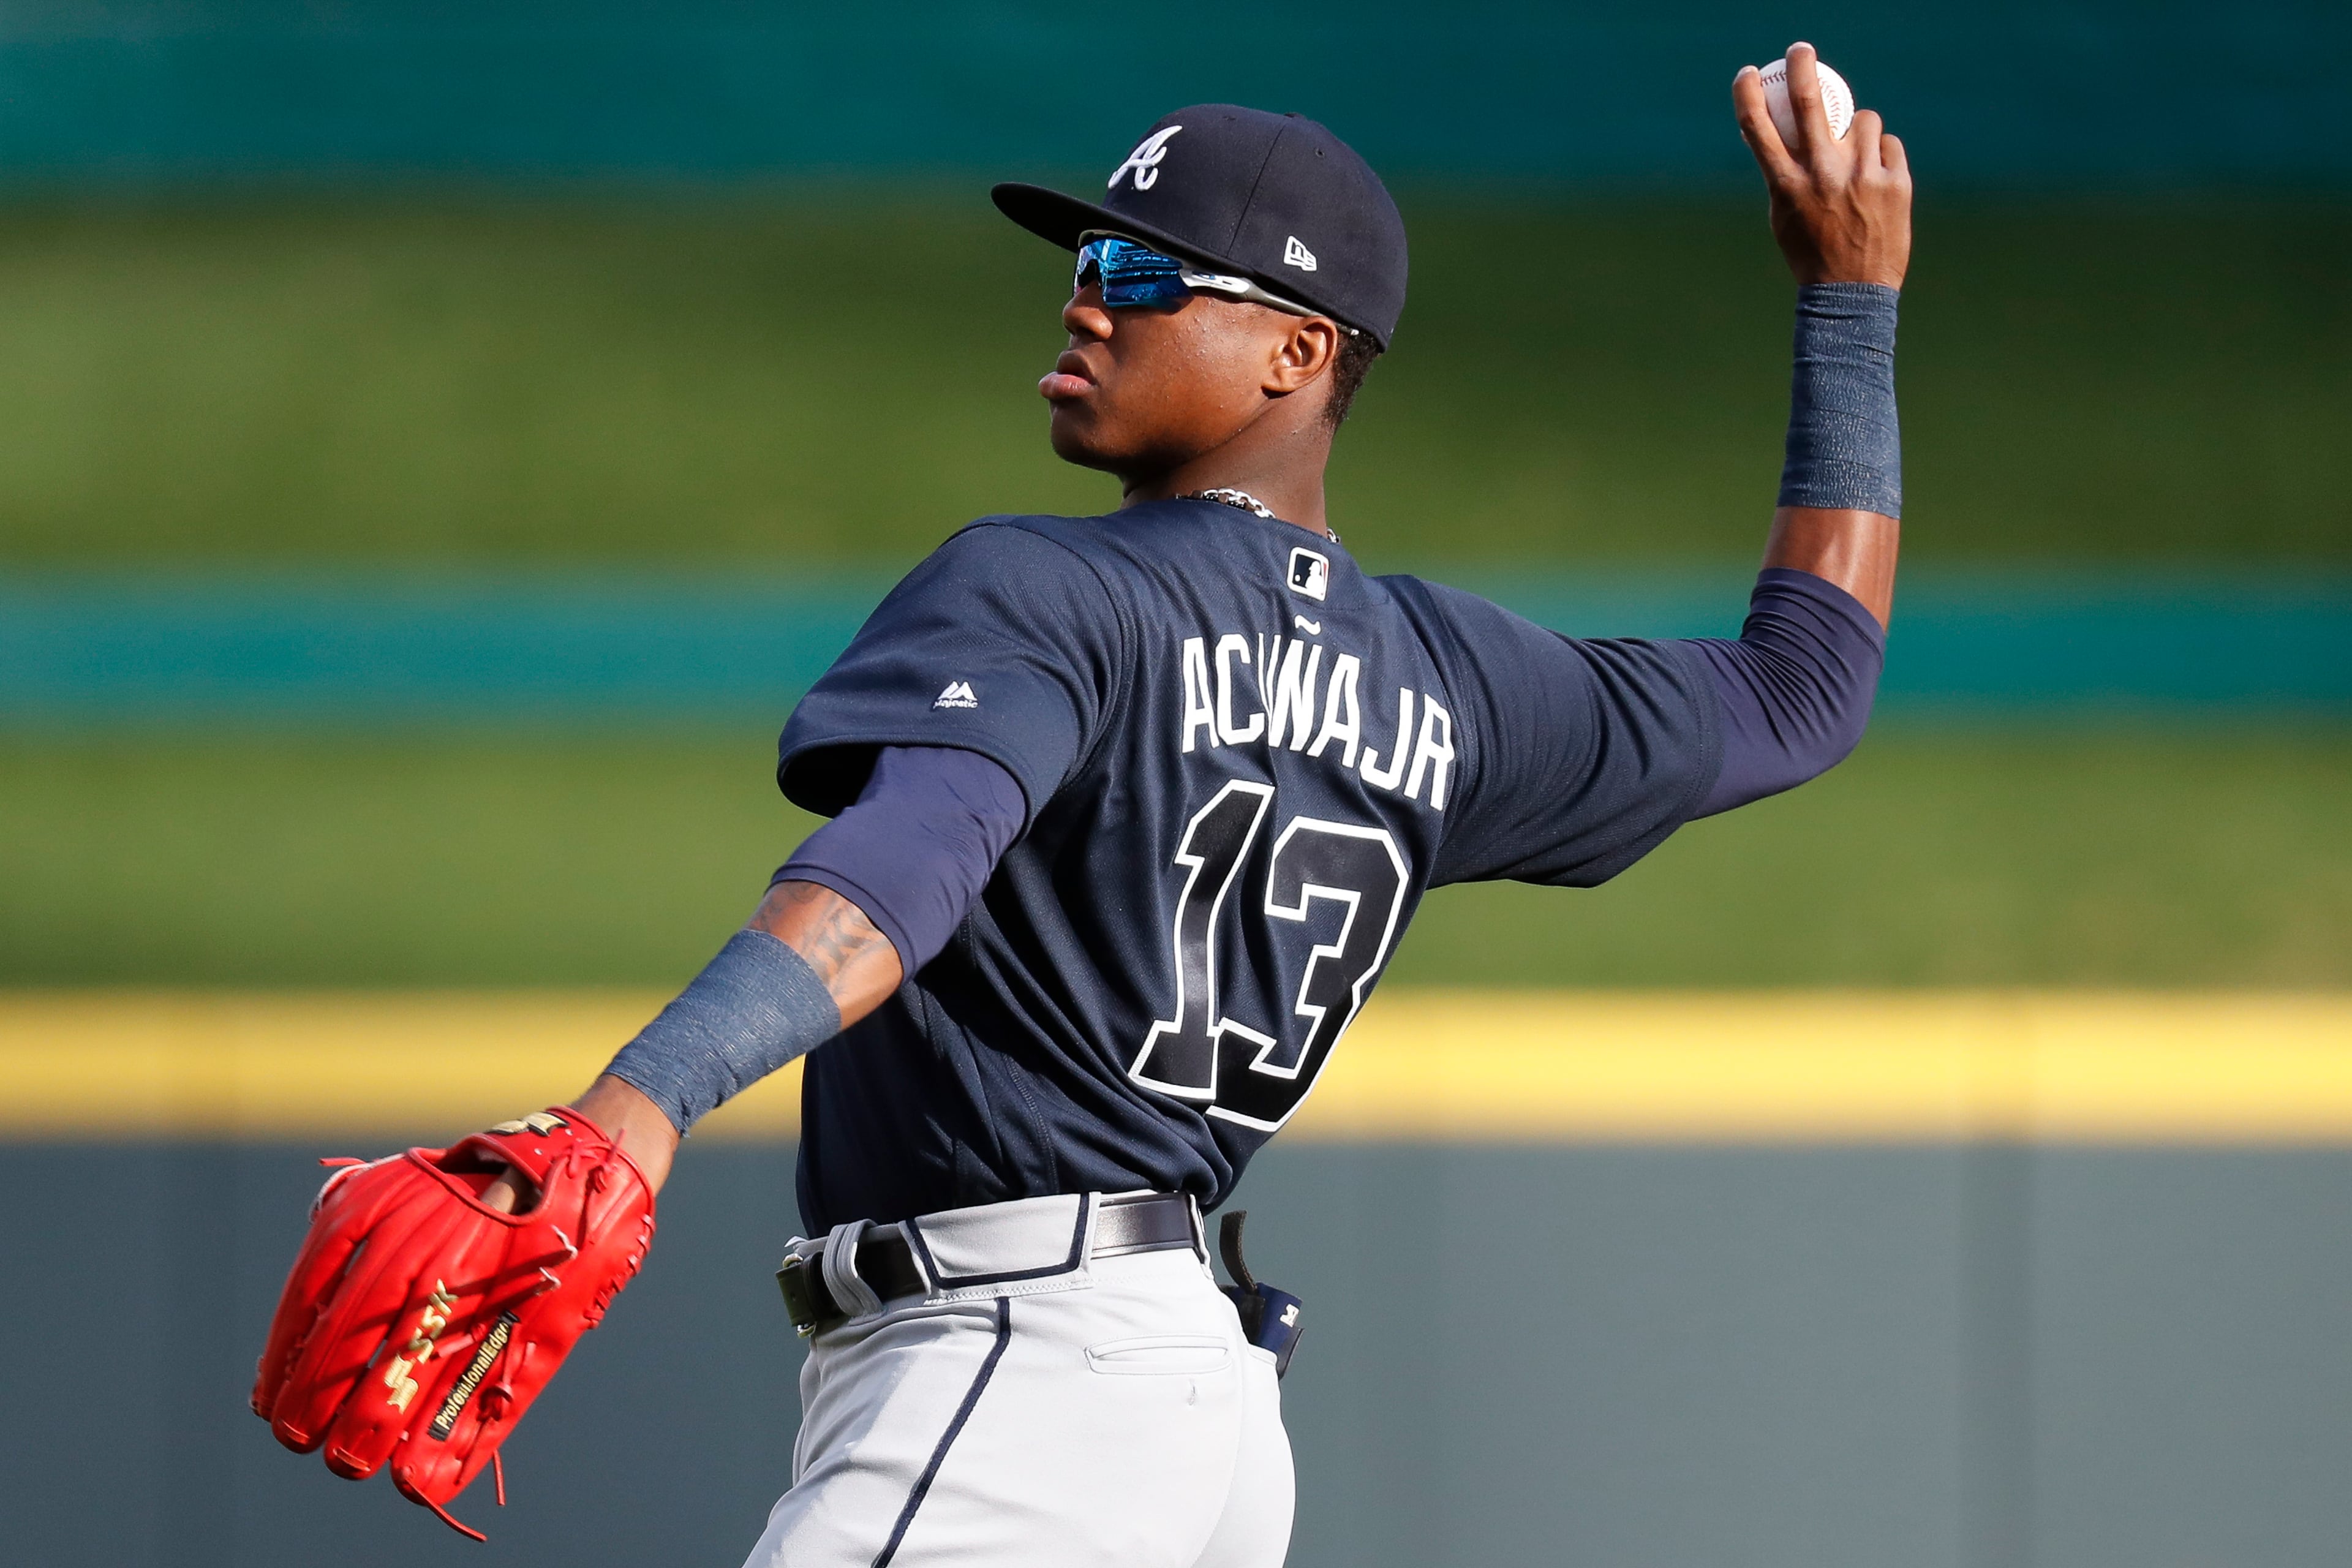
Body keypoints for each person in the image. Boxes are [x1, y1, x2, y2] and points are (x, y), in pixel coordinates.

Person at [533, 44, 1906, 1567]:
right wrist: (1848, 306)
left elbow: (896, 874)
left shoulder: (1049, 589)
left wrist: (635, 1103)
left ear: (1299, 352)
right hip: (1190, 1414)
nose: (1084, 296)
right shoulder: (1453, 683)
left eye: (1143, 270)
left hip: (1014, 1374)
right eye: (1084, 258)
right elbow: (1806, 688)